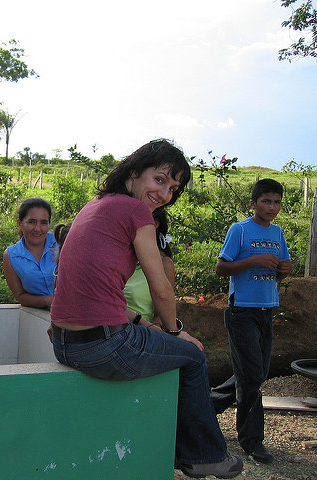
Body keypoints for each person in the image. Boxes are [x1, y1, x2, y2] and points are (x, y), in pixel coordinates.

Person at [50, 139, 242, 479]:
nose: (165, 193)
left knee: (163, 345)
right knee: (193, 355)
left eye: (173, 187)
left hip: (65, 344)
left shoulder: (94, 206)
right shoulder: (136, 212)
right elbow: (161, 289)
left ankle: (174, 447)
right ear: (135, 172)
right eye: (160, 179)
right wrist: (175, 330)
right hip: (104, 347)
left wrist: (143, 322)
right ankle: (205, 455)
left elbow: (96, 292)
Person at [215, 178, 292, 464]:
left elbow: (279, 273)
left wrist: (285, 269)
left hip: (266, 310)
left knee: (253, 373)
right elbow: (222, 267)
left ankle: (208, 404)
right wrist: (254, 260)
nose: (272, 207)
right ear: (253, 203)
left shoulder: (278, 232)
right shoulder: (240, 230)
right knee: (252, 378)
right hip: (242, 311)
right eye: (266, 201)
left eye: (277, 202)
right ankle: (252, 441)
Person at [3, 198, 57, 309]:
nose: (38, 229)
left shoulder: (61, 243)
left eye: (43, 223)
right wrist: (47, 300)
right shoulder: (11, 255)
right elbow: (21, 296)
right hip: (40, 318)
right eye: (31, 222)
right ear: (20, 223)